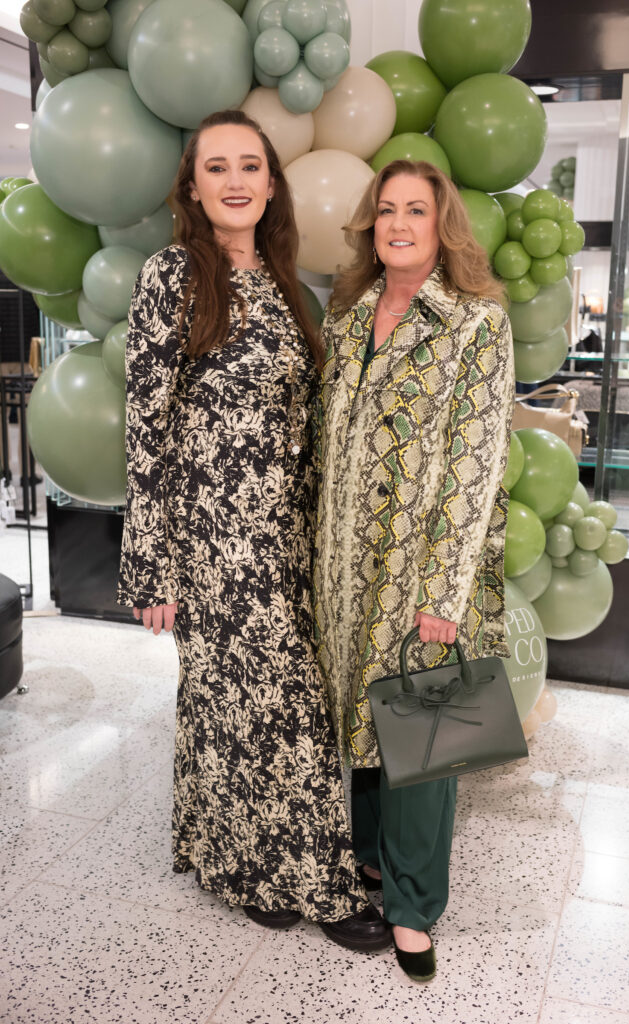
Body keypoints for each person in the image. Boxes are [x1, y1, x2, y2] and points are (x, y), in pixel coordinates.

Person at [117, 109, 390, 953]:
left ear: (270, 183)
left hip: (287, 537)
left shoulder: (286, 285)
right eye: (215, 167)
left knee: (230, 710)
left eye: (249, 165)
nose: (234, 180)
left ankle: (244, 869)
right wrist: (150, 565)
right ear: (192, 187)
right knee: (281, 711)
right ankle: (323, 885)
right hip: (212, 539)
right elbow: (146, 423)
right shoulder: (171, 276)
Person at [314, 160, 514, 981]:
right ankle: (369, 860)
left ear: (442, 226)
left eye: (415, 211)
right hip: (341, 565)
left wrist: (443, 592)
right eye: (386, 209)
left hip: (420, 567)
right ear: (370, 224)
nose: (398, 223)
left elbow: (476, 463)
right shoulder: (348, 315)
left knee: (420, 737)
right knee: (357, 720)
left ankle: (413, 908)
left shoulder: (474, 324)